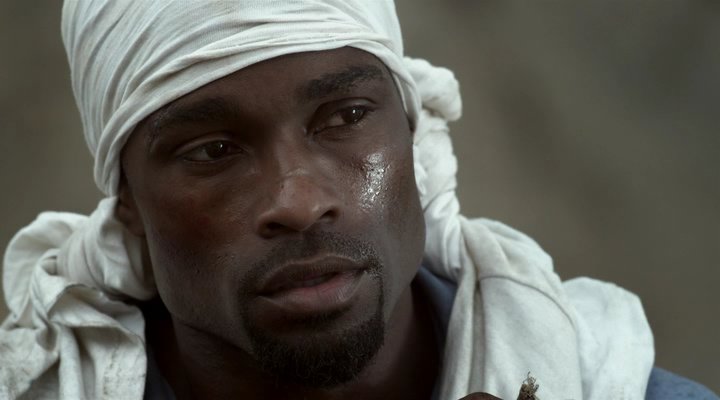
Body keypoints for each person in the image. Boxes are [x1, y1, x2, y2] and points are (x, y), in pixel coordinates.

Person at [0, 1, 717, 399]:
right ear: (127, 203)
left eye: (345, 116)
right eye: (213, 150)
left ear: (414, 134)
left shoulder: (604, 384)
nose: (299, 201)